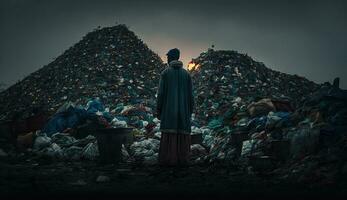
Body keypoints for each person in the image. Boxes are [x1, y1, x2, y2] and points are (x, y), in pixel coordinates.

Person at [156, 48, 194, 166]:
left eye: (168, 57)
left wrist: (159, 110)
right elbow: (191, 96)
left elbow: (161, 94)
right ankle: (182, 159)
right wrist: (189, 111)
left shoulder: (166, 73)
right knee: (182, 134)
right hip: (183, 112)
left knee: (169, 134)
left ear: (171, 58)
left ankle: (169, 159)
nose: (166, 59)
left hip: (169, 111)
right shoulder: (186, 74)